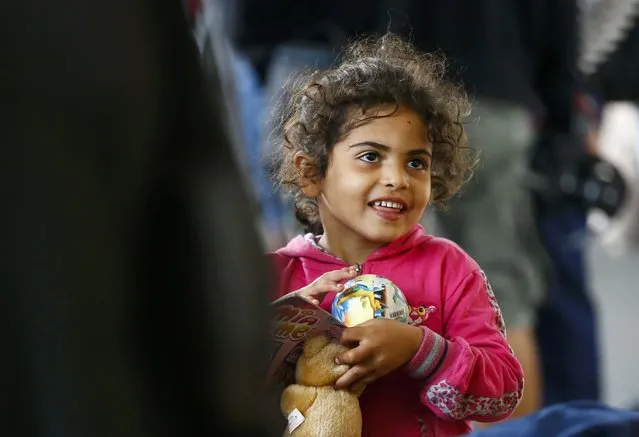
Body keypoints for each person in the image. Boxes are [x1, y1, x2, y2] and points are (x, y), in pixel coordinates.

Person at [267, 33, 524, 437]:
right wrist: (281, 327)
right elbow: (213, 389)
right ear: (310, 172)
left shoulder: (450, 269)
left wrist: (421, 350)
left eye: (416, 162)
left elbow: (504, 393)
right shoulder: (275, 275)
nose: (397, 178)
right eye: (371, 157)